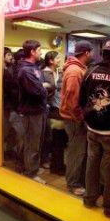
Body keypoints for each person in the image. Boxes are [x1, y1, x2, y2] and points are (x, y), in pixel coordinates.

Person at [79, 39, 110, 217]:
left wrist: (89, 117)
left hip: (92, 129)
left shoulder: (89, 70)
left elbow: (81, 100)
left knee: (92, 165)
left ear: (103, 52)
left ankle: (89, 199)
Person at [60, 41, 93, 196]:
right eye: (91, 52)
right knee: (76, 152)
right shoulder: (75, 71)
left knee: (78, 151)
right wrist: (80, 118)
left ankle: (75, 181)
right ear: (86, 53)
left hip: (73, 118)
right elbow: (72, 100)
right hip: (73, 119)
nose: (92, 55)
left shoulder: (77, 69)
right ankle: (73, 184)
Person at [17, 40, 48, 184]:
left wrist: (43, 87)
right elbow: (37, 91)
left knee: (35, 142)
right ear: (32, 52)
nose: (41, 53)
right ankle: (30, 172)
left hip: (38, 110)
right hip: (31, 111)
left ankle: (31, 167)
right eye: (40, 50)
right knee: (31, 143)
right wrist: (44, 87)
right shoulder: (25, 70)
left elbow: (43, 87)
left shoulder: (34, 68)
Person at [42, 51, 68, 174]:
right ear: (50, 60)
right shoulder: (45, 73)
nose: (59, 60)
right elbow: (46, 91)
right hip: (52, 109)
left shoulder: (59, 72)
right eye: (57, 58)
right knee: (54, 138)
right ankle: (52, 164)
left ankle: (54, 163)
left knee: (56, 138)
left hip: (57, 108)